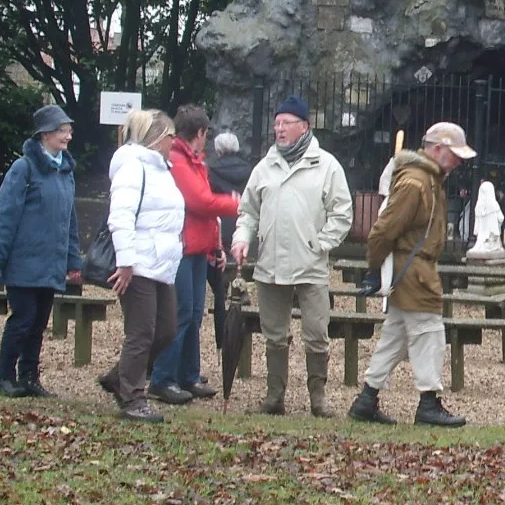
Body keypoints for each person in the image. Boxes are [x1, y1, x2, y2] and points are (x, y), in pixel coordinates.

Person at [231, 96, 352, 417]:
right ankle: (275, 397)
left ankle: (318, 399)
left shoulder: (326, 165)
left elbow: (342, 213)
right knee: (274, 333)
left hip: (310, 265)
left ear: (304, 126)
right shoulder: (264, 167)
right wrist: (242, 239)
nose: (279, 129)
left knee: (316, 334)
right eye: (277, 123)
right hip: (270, 264)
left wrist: (320, 243)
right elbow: (247, 212)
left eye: (286, 123)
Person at [348, 122, 473, 428]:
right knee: (430, 335)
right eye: (454, 154)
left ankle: (366, 400)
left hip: (415, 269)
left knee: (395, 338)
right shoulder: (417, 183)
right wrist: (374, 270)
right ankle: (428, 403)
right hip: (414, 272)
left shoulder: (427, 180)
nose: (458, 162)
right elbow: (383, 231)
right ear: (437, 149)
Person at [0, 105, 83, 398]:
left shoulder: (65, 171)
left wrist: (73, 259)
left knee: (38, 323)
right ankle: (4, 377)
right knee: (22, 320)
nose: (68, 136)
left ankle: (28, 377)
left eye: (68, 130)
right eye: (63, 130)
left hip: (51, 263)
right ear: (45, 134)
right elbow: (4, 216)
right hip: (24, 261)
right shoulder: (23, 168)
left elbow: (70, 220)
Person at [97, 109, 185, 423]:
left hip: (161, 263)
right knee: (142, 332)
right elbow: (120, 216)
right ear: (158, 137)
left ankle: (120, 377)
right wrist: (126, 262)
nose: (175, 143)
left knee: (166, 330)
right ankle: (133, 397)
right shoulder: (133, 167)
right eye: (172, 136)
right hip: (138, 263)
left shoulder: (162, 168)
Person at [148, 105, 239, 404]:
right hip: (183, 248)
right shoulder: (178, 161)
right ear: (200, 133)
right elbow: (200, 203)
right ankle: (163, 378)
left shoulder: (194, 161)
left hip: (199, 248)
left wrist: (215, 246)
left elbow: (204, 213)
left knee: (194, 313)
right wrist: (235, 204)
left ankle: (188, 374)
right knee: (181, 313)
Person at [206, 130, 253, 349]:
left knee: (219, 285)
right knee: (241, 272)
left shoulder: (211, 171)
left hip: (220, 227)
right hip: (243, 226)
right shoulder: (250, 171)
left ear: (218, 149)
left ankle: (222, 336)